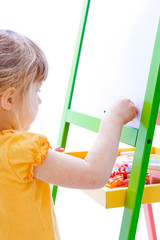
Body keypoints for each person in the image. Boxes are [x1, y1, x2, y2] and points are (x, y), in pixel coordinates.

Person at [0, 30, 138, 240]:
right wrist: (113, 119)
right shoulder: (20, 149)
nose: (39, 101)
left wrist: (38, 168)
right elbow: (94, 174)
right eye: (37, 91)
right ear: (9, 99)